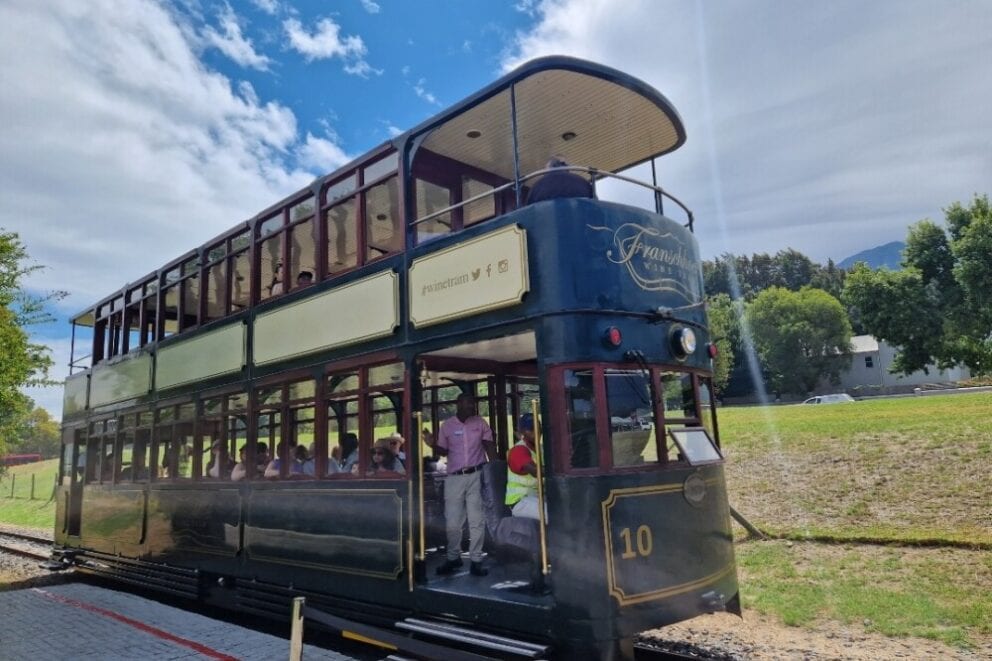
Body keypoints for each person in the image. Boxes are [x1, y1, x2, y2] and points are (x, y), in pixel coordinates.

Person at [427, 393, 496, 577]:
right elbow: (442, 450)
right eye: (468, 403)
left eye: (473, 403)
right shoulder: (447, 426)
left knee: (476, 519)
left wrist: (495, 469)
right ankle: (453, 558)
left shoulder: (480, 423)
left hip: (476, 475)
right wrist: (432, 443)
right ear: (458, 404)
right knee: (453, 520)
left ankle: (476, 560)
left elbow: (489, 446)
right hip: (454, 477)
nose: (471, 406)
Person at [506, 413, 543, 520]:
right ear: (522, 432)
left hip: (535, 497)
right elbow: (536, 471)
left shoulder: (540, 449)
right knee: (553, 513)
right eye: (531, 429)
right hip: (521, 501)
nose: (536, 431)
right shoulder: (519, 450)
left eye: (538, 427)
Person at [526, 156, 595, 205]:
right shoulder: (583, 182)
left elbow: (530, 210)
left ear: (549, 168)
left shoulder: (537, 186)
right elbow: (594, 204)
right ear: (567, 167)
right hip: (581, 221)